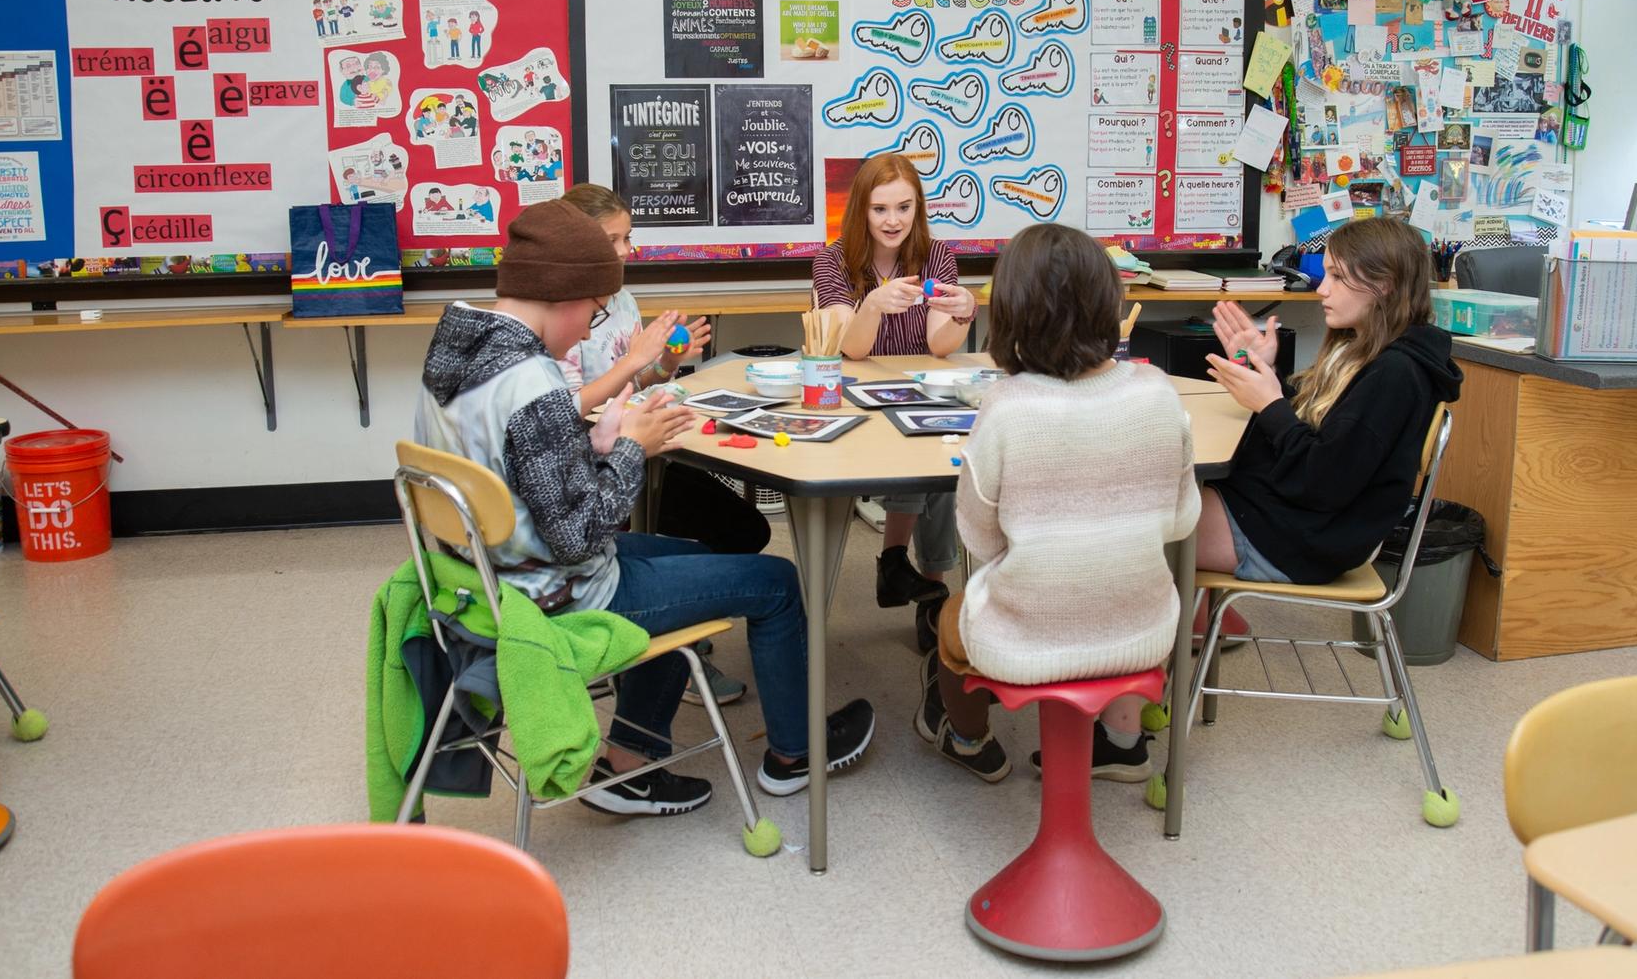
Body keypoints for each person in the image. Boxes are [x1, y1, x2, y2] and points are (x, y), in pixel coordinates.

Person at [415, 200, 875, 814]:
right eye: (591, 309)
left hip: (486, 578)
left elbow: (517, 467)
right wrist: (632, 448)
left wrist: (596, 442)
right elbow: (579, 536)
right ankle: (795, 754)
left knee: (691, 555)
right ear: (561, 296)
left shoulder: (453, 354)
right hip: (557, 592)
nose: (588, 329)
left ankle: (631, 761)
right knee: (778, 581)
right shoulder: (534, 384)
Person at [915, 224, 1195, 783]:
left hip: (1023, 643)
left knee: (951, 620)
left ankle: (969, 739)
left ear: (1012, 309)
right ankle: (1121, 738)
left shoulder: (1006, 407)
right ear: (1108, 301)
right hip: (1145, 632)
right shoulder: (1159, 392)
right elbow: (1181, 519)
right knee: (1115, 588)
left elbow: (980, 539)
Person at [556, 183, 770, 705]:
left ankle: (680, 637)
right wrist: (635, 366)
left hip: (645, 453)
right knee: (721, 538)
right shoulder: (562, 312)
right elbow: (565, 406)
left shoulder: (623, 298)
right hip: (604, 473)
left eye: (628, 238)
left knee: (746, 526)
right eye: (613, 240)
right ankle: (671, 646)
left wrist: (668, 361)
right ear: (579, 244)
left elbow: (640, 382)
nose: (626, 251)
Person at [1200, 218, 1462, 590]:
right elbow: (1316, 425)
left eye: (1338, 277)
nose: (1323, 289)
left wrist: (1270, 403)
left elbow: (1323, 479)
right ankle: (1207, 625)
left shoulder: (1396, 374)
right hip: (1291, 516)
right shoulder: (1358, 348)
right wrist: (1263, 371)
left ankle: (1195, 629)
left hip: (1303, 539)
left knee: (1143, 528)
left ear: (1384, 284)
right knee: (1164, 501)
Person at [812, 153, 977, 652]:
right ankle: (928, 590)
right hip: (856, 401)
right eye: (881, 209)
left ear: (918, 208)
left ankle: (920, 585)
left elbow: (939, 344)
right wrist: (872, 306)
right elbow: (850, 348)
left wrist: (966, 314)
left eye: (904, 207)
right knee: (928, 456)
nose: (893, 221)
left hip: (913, 391)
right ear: (861, 209)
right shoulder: (834, 260)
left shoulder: (934, 255)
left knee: (947, 461)